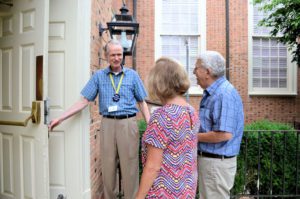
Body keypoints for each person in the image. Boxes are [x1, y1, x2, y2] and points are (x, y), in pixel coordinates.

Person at [48, 39, 150, 199]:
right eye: (113, 55)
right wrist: (60, 118)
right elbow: (84, 101)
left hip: (128, 123)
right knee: (108, 167)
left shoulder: (132, 75)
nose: (117, 58)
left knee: (130, 167)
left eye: (119, 54)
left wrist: (150, 125)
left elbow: (142, 102)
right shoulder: (99, 76)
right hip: (107, 124)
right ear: (106, 56)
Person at [135, 57, 199, 199]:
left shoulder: (162, 116)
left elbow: (153, 167)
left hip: (164, 192)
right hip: (187, 189)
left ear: (157, 83)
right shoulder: (191, 111)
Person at [193, 51, 244, 199]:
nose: (194, 72)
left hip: (215, 165)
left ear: (207, 71)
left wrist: (191, 136)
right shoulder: (216, 92)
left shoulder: (223, 94)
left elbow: (224, 134)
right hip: (213, 164)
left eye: (196, 68)